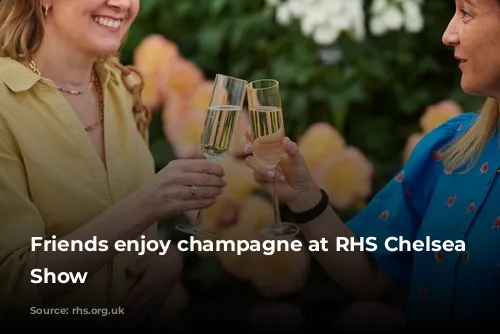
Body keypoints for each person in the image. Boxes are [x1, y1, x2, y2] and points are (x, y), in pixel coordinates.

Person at [245, 0, 500, 331]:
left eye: (467, 13)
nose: (448, 35)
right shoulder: (453, 147)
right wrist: (302, 196)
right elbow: (371, 277)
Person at [0, 0, 226, 329]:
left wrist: (166, 260)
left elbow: (136, 241)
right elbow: (13, 289)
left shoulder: (123, 87)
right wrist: (145, 206)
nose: (122, 3)